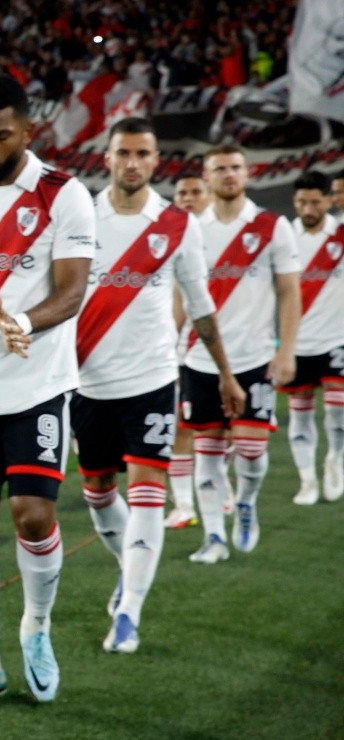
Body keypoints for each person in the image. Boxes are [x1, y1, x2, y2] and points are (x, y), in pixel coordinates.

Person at [0, 74, 95, 704]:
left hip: (39, 387)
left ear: (28, 132)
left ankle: (37, 628)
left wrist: (25, 321)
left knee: (33, 516)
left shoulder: (65, 196)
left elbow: (73, 289)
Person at [73, 118, 244, 654]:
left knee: (148, 492)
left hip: (151, 379)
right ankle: (131, 568)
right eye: (122, 152)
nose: (131, 162)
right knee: (98, 493)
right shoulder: (80, 216)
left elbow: (200, 306)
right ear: (107, 157)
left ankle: (128, 613)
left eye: (142, 153)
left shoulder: (176, 224)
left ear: (155, 161)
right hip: (85, 384)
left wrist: (225, 373)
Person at [182, 144, 301, 563]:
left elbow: (289, 290)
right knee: (208, 450)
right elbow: (180, 296)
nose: (229, 175)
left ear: (247, 174)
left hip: (254, 358)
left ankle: (246, 502)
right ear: (207, 176)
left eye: (236, 167)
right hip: (199, 358)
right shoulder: (191, 228)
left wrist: (287, 350)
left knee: (251, 450)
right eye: (220, 169)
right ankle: (213, 536)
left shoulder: (272, 227)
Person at [278, 171, 344, 504]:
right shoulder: (284, 236)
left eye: (315, 201)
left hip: (336, 338)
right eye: (302, 201)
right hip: (297, 342)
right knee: (300, 411)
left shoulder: (341, 234)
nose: (308, 207)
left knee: (337, 408)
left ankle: (336, 459)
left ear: (328, 201)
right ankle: (307, 480)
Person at [166, 174, 215, 529]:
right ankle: (184, 504)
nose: (188, 198)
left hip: (225, 348)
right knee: (181, 425)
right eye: (181, 192)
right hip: (184, 349)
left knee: (221, 430)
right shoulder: (170, 237)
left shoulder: (222, 236)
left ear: (209, 195)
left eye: (196, 192)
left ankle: (221, 492)